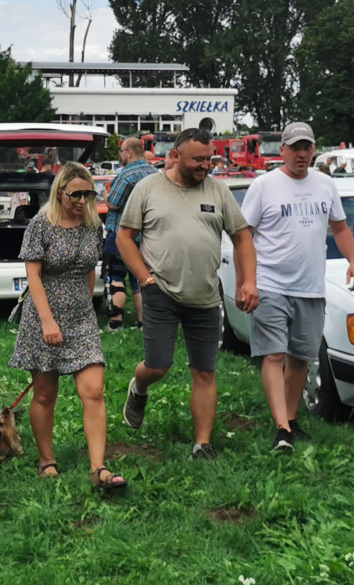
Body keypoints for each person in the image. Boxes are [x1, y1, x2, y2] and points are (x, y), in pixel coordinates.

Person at [117, 128, 259, 460]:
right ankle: (139, 387)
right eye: (197, 159)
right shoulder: (148, 188)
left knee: (205, 370)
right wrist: (144, 278)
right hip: (160, 291)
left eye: (209, 159)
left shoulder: (219, 190)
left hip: (206, 296)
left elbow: (242, 238)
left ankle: (202, 444)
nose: (205, 165)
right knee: (159, 365)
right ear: (176, 156)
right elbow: (125, 237)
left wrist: (248, 281)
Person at [241, 122, 354, 451]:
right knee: (274, 354)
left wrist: (353, 260)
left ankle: (290, 420)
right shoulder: (264, 186)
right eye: (295, 148)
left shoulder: (325, 184)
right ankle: (281, 428)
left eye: (307, 147)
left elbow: (340, 228)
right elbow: (243, 236)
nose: (302, 154)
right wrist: (248, 281)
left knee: (300, 357)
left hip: (310, 286)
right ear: (282, 150)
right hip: (271, 283)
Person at [8, 162, 126, 491]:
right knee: (45, 394)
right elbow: (33, 275)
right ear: (60, 193)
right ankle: (47, 460)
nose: (82, 200)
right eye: (76, 194)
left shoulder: (92, 226)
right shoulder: (40, 225)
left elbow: (89, 269)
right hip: (43, 315)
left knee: (94, 392)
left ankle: (98, 468)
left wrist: (87, 307)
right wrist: (48, 320)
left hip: (81, 318)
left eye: (88, 194)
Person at [104, 138, 157, 332]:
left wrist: (105, 197)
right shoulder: (155, 174)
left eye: (121, 151)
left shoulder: (126, 174)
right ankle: (144, 323)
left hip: (120, 235)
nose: (120, 155)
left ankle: (115, 322)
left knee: (115, 276)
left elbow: (113, 203)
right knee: (141, 280)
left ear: (128, 152)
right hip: (147, 238)